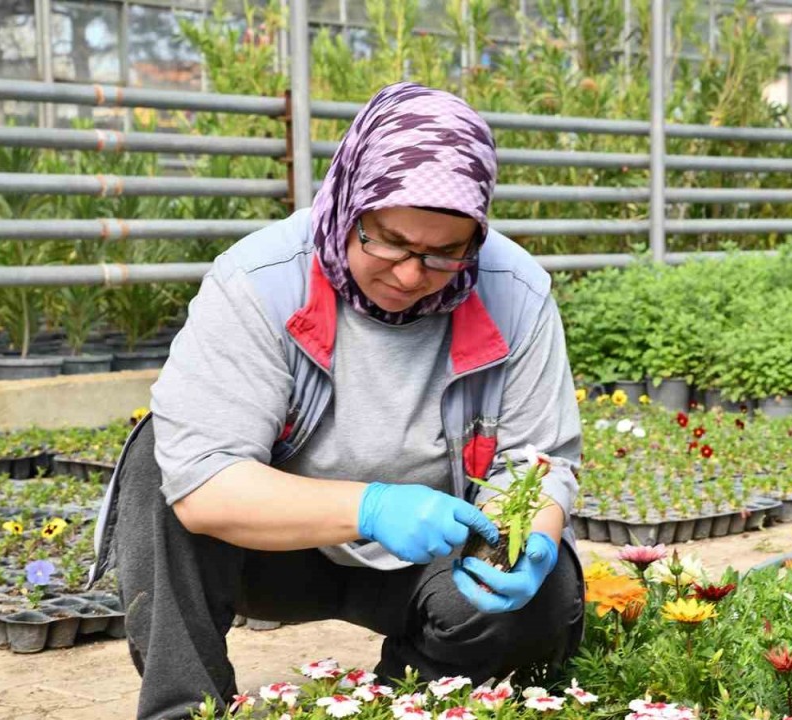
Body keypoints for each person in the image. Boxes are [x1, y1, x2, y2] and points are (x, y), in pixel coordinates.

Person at [89, 83, 585, 720]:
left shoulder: (514, 292)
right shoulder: (261, 282)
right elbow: (205, 483)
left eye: (444, 253)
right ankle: (186, 709)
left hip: (429, 561)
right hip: (270, 554)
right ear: (350, 201)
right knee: (162, 457)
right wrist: (371, 506)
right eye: (389, 241)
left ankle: (402, 701)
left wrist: (533, 540)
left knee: (547, 593)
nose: (411, 274)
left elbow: (535, 459)